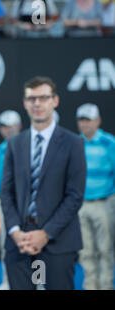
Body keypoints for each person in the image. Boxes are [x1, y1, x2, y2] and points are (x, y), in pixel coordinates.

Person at [1, 76, 86, 290]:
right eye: (32, 99)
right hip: (19, 243)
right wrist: (14, 231)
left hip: (57, 242)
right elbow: (7, 193)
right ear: (25, 103)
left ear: (55, 101)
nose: (37, 103)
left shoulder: (73, 143)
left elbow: (74, 196)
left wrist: (45, 234)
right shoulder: (15, 144)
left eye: (43, 98)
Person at [75, 103, 114, 290]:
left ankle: (106, 285)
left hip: (104, 202)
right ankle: (90, 286)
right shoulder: (75, 143)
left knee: (105, 249)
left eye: (88, 120)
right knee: (86, 250)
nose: (84, 124)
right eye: (81, 120)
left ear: (98, 121)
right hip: (81, 204)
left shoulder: (109, 143)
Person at [0, 110, 23, 290]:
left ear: (18, 126)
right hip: (5, 204)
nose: (8, 130)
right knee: (6, 245)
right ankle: (8, 281)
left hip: (27, 205)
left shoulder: (30, 146)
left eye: (11, 126)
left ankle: (37, 281)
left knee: (33, 244)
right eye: (4, 126)